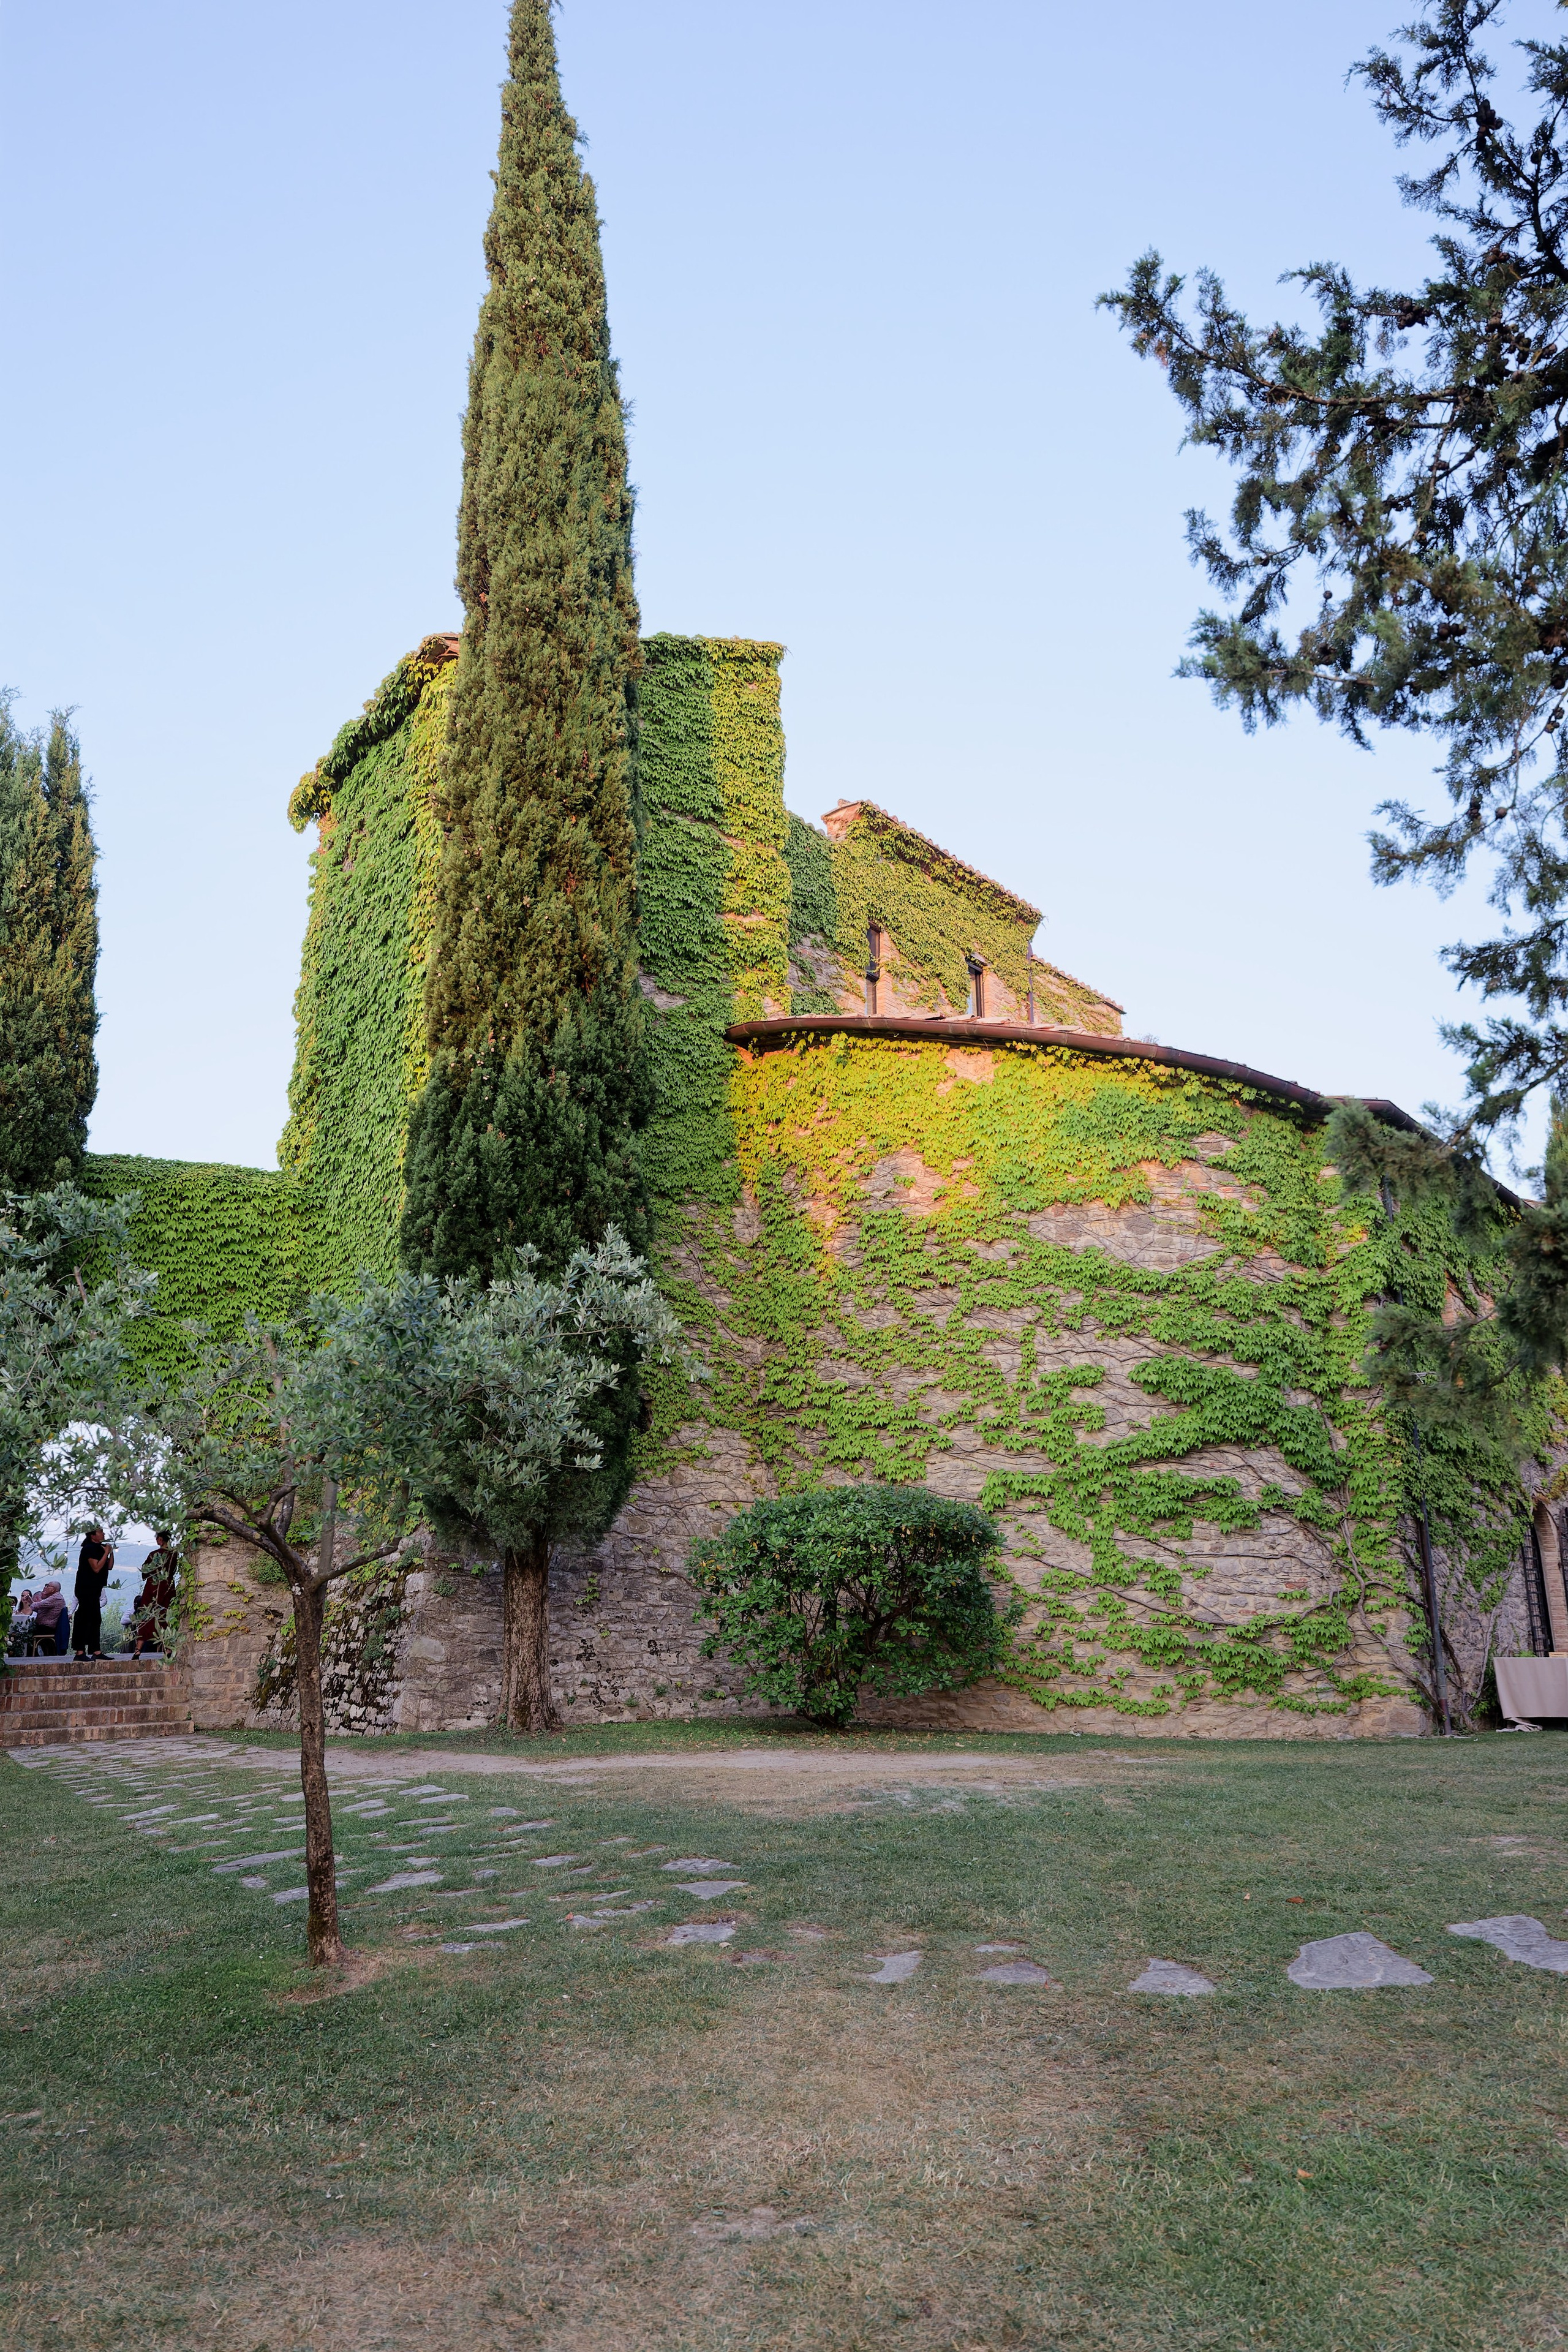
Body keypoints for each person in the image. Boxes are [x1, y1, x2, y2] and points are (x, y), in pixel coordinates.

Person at [130, 1532, 179, 1658]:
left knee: (146, 1618)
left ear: (161, 1540)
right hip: (167, 1588)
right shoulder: (174, 1555)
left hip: (152, 1588)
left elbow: (145, 1571)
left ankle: (138, 1650)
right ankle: (167, 1649)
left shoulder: (154, 1555)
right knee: (164, 1617)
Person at [71, 1528, 113, 1662]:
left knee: (95, 1619)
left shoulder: (99, 1548)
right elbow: (96, 1568)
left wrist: (110, 1553)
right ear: (93, 1536)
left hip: (95, 1589)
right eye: (101, 1532)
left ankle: (96, 1651)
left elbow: (109, 1567)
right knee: (83, 1619)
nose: (104, 1534)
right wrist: (106, 1552)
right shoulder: (89, 1548)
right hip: (86, 1588)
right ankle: (80, 1652)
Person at [31, 1581, 69, 1655]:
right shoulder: (54, 1597)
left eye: (48, 1586)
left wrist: (31, 1603)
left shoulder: (56, 1598)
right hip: (44, 1627)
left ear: (53, 1589)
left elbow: (37, 1606)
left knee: (25, 1633)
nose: (45, 1587)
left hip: (46, 1628)